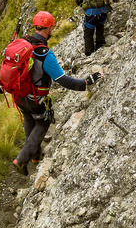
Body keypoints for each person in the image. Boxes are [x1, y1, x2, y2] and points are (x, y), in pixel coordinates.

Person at [10, 11, 101, 175]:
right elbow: (63, 80)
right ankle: (21, 159)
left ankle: (35, 156)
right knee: (43, 122)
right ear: (48, 28)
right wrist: (86, 82)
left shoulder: (22, 43)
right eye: (51, 27)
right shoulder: (45, 54)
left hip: (18, 94)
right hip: (34, 98)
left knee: (29, 118)